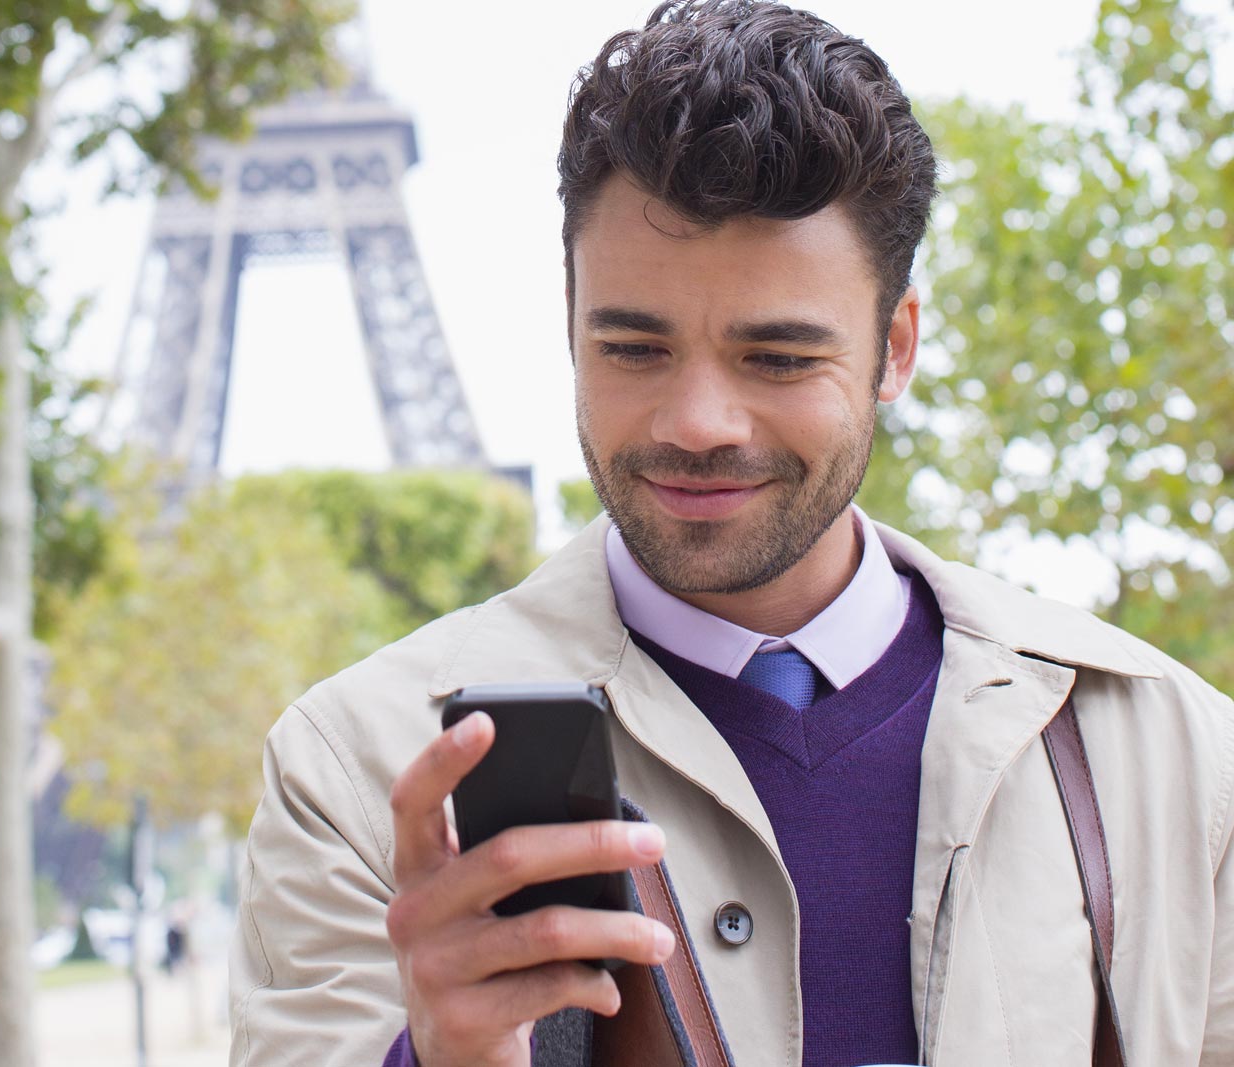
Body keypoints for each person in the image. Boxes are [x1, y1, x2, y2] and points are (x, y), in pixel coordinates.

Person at [228, 2, 1234, 1065]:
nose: (696, 423)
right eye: (633, 348)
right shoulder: (353, 770)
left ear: (894, 349)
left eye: (778, 358)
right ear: (569, 321)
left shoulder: (1171, 753)